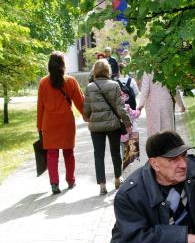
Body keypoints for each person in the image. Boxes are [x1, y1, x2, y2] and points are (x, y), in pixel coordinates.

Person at [37, 51, 85, 194]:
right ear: (63, 65)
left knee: (52, 154)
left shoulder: (43, 82)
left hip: (49, 123)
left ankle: (54, 184)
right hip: (66, 122)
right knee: (68, 153)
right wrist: (86, 116)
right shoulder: (70, 81)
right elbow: (80, 102)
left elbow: (40, 106)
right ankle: (70, 180)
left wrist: (39, 126)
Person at [83, 59, 132, 195]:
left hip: (96, 127)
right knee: (115, 152)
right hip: (113, 125)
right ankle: (117, 178)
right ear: (108, 71)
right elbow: (120, 108)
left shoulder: (90, 87)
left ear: (95, 71)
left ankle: (102, 185)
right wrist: (127, 123)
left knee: (98, 154)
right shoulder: (114, 85)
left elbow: (86, 109)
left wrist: (87, 118)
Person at [137, 73, 186, 139]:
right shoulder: (168, 68)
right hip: (166, 103)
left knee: (154, 132)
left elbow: (145, 90)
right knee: (168, 130)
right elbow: (174, 90)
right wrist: (181, 105)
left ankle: (155, 148)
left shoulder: (148, 70)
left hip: (152, 105)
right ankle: (169, 147)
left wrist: (140, 106)